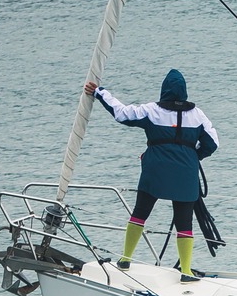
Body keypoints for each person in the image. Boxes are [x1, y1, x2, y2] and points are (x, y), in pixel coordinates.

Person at [86, 69, 220, 281]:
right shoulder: (198, 115)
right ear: (184, 91)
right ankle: (185, 271)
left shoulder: (152, 110)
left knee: (140, 213)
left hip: (155, 171)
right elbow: (213, 143)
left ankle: (125, 259)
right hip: (186, 174)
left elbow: (122, 114)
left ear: (164, 90)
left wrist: (100, 93)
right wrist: (194, 156)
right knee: (184, 223)